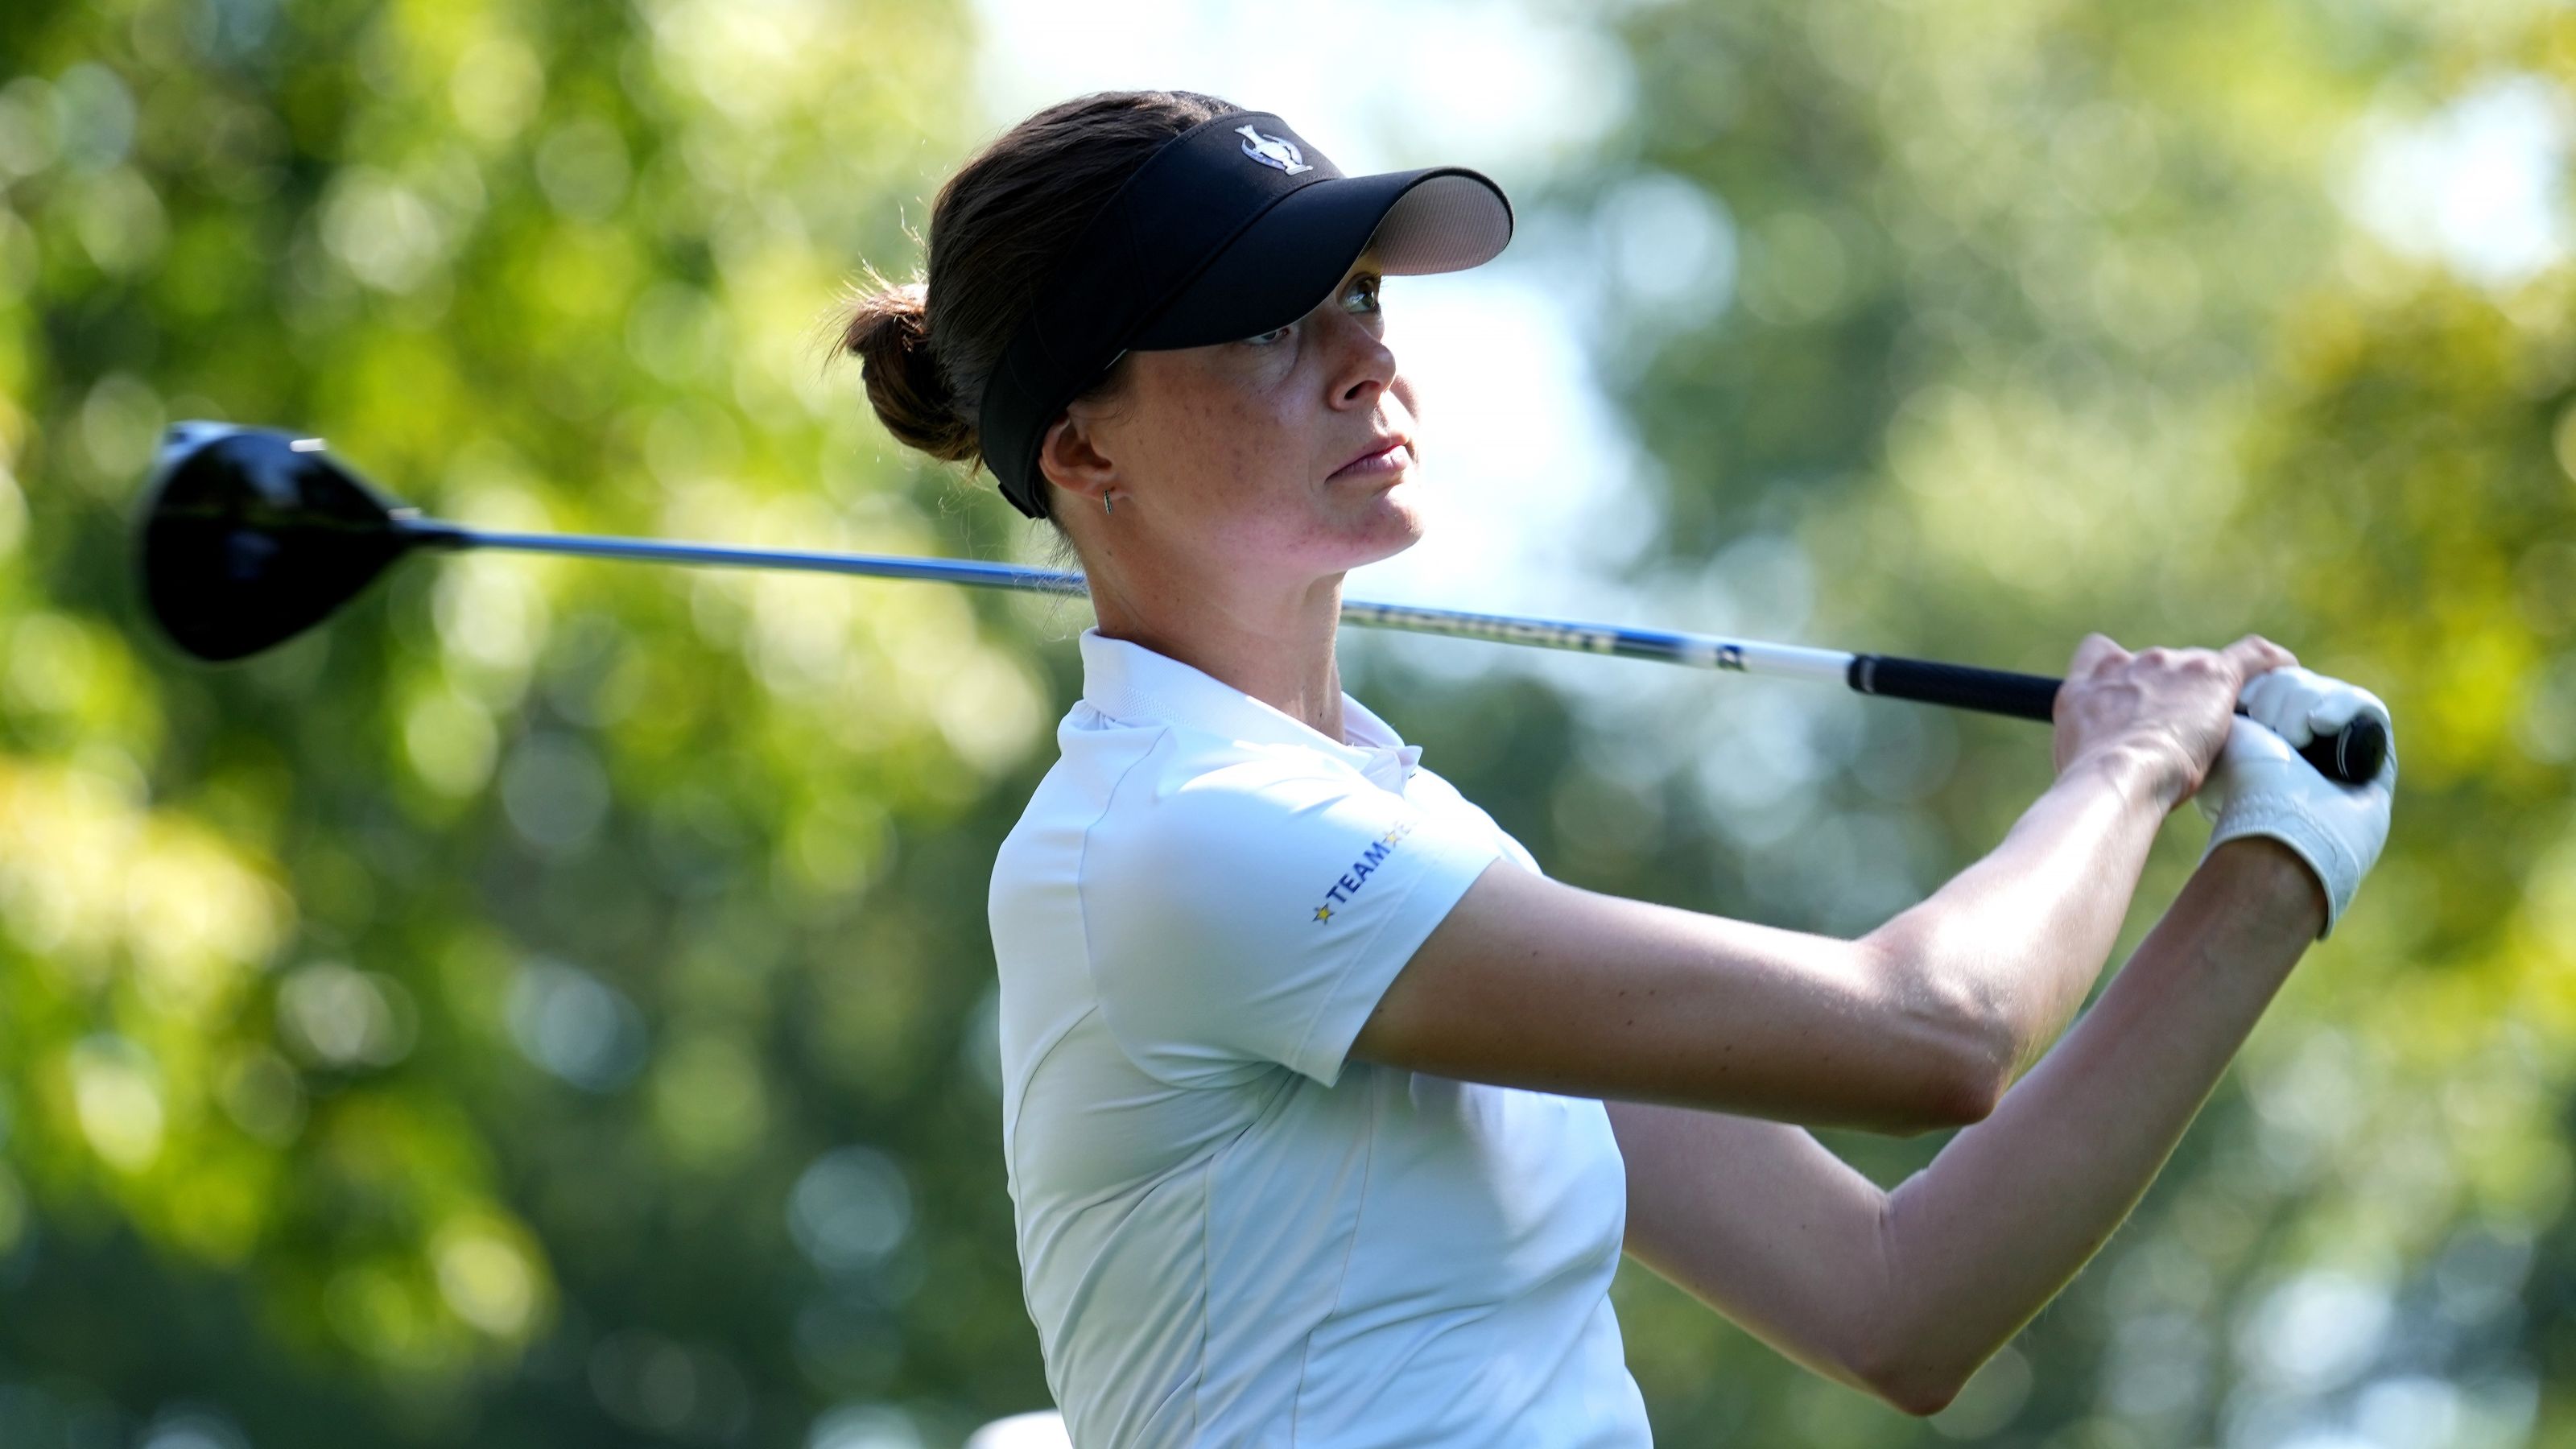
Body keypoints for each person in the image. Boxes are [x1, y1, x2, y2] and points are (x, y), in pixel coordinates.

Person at [839, 90, 2398, 1447]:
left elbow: (1894, 1304)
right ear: (1082, 451)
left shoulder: (1408, 847)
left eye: (1362, 295)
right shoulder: (1181, 839)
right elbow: (1932, 1036)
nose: (1361, 361)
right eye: (1263, 323)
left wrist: (2274, 868)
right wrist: (2118, 772)